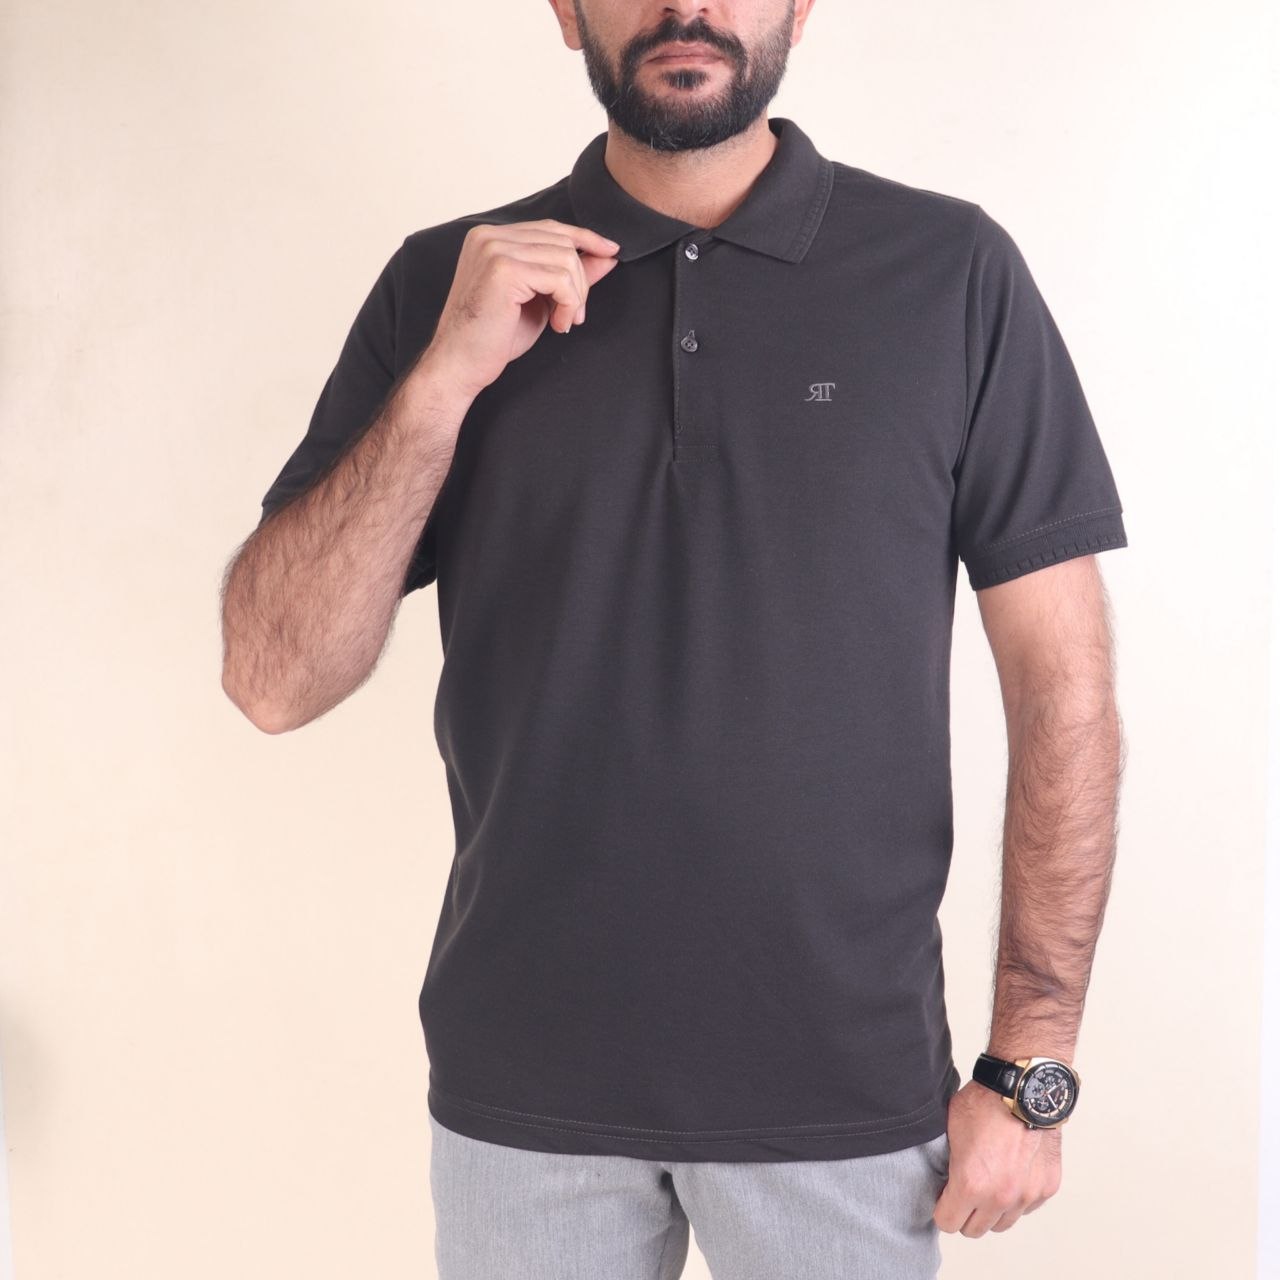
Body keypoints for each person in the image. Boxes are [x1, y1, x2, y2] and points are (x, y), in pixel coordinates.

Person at [220, 0, 1129, 1275]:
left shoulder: (949, 273)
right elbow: (271, 678)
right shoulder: (442, 284)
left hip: (845, 1096)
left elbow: (1062, 690)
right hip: (521, 1100)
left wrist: (1030, 1063)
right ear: (565, 11)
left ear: (799, 8)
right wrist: (442, 382)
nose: (685, 5)